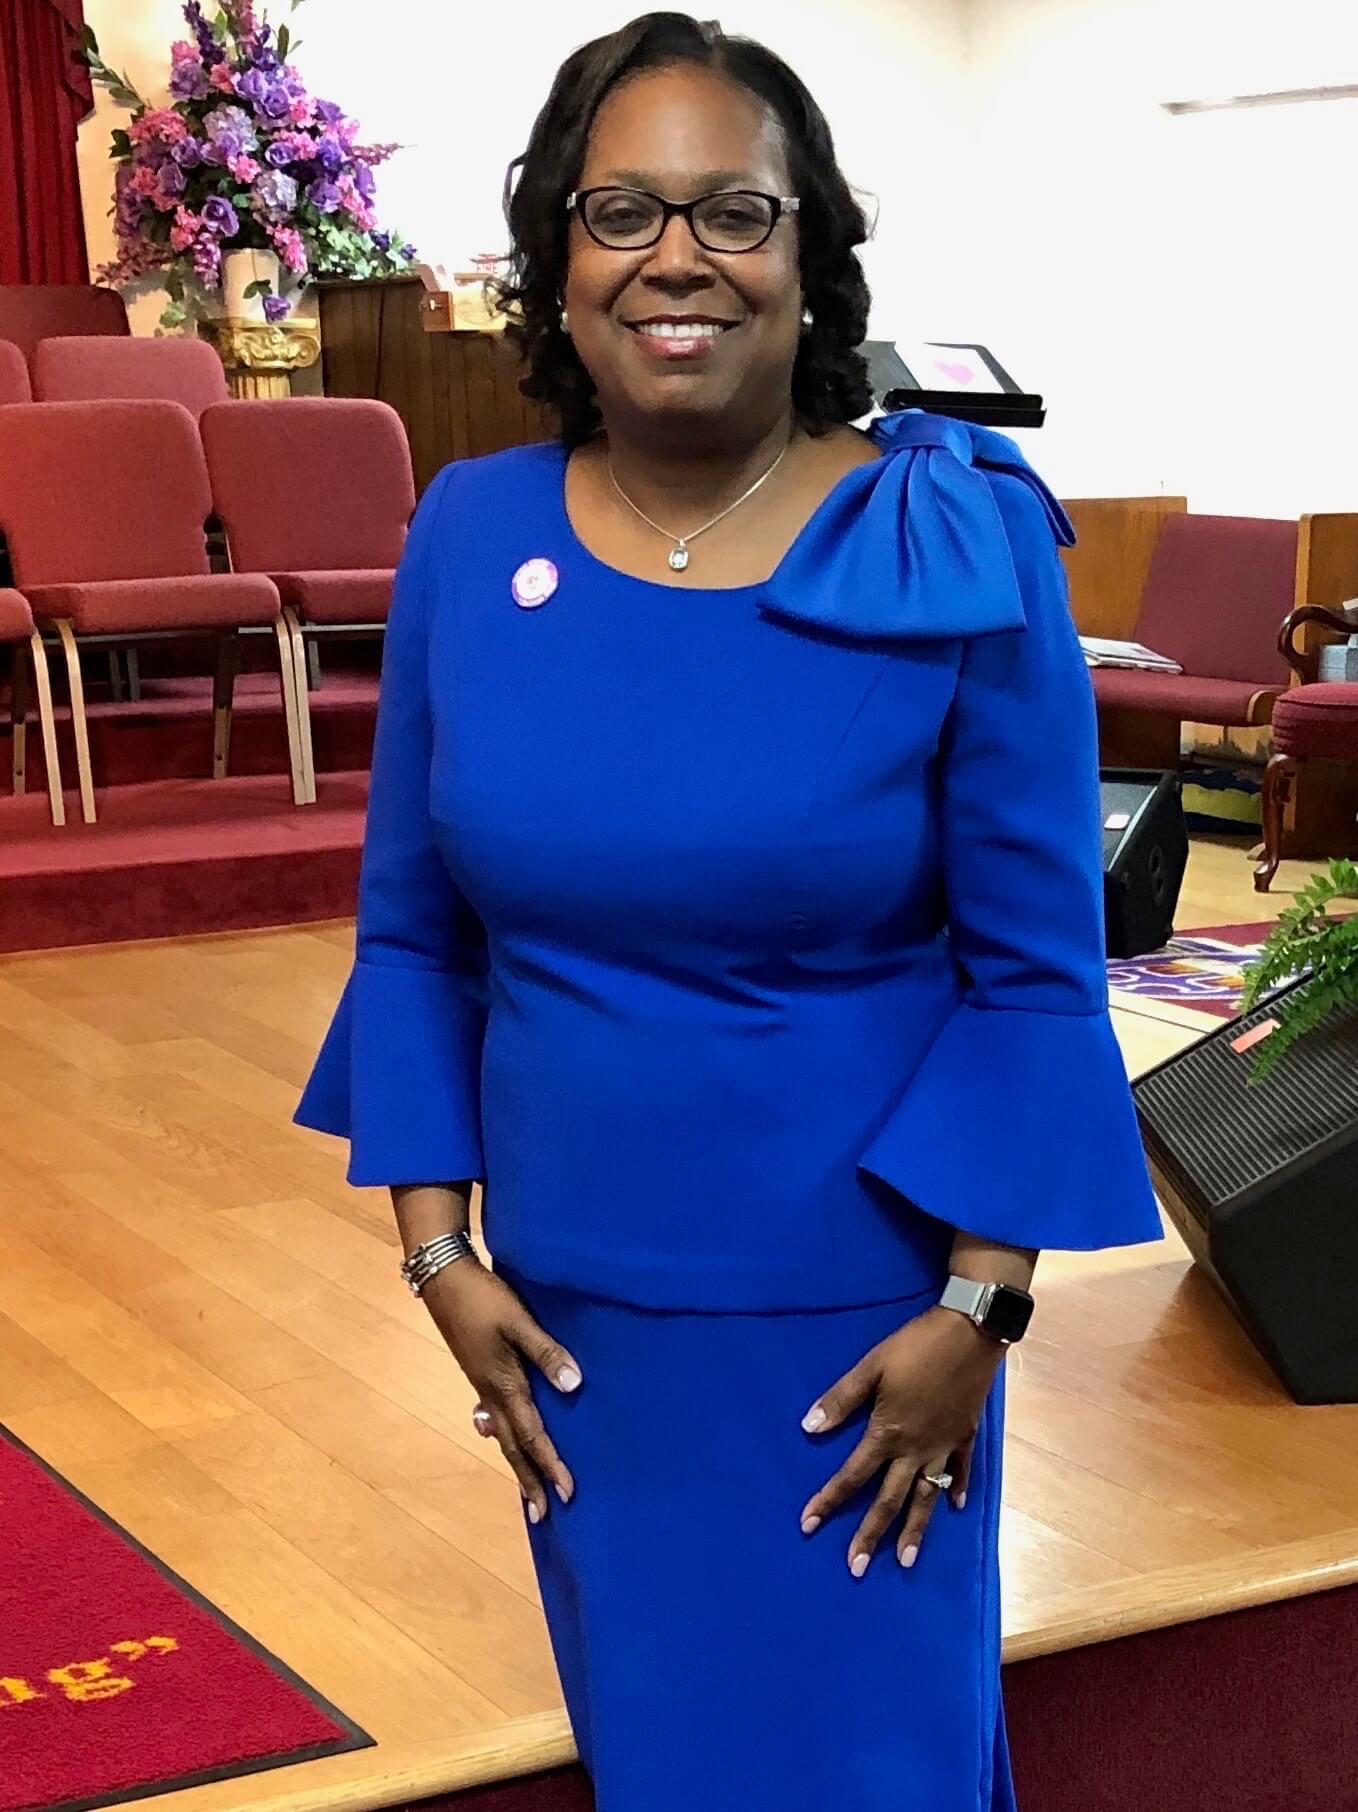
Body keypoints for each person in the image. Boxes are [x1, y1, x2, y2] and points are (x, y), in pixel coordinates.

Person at [296, 12, 1163, 1809]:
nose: (675, 257)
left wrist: (980, 1312)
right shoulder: (470, 529)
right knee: (664, 1748)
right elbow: (415, 932)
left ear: (807, 251)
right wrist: (439, 1256)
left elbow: (1031, 970)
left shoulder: (945, 527)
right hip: (573, 1314)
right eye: (620, 210)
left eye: (733, 211)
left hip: (866, 1315)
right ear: (556, 259)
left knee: (870, 1759)